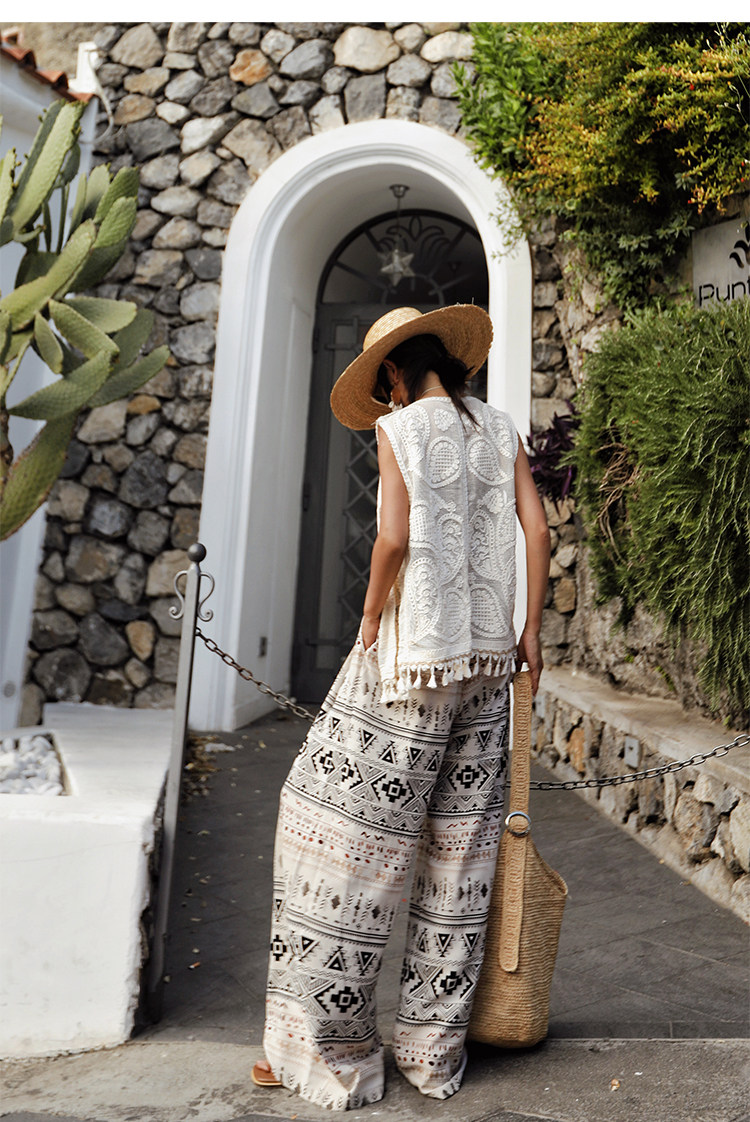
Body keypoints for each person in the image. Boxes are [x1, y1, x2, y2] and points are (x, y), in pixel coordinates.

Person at [252, 305, 550, 1110]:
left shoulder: (400, 429)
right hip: (489, 666)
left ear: (392, 371)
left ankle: (333, 1053)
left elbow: (392, 537)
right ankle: (431, 1053)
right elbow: (536, 528)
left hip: (410, 664)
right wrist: (529, 628)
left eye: (381, 379)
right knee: (460, 858)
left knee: (339, 844)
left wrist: (368, 614)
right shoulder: (499, 427)